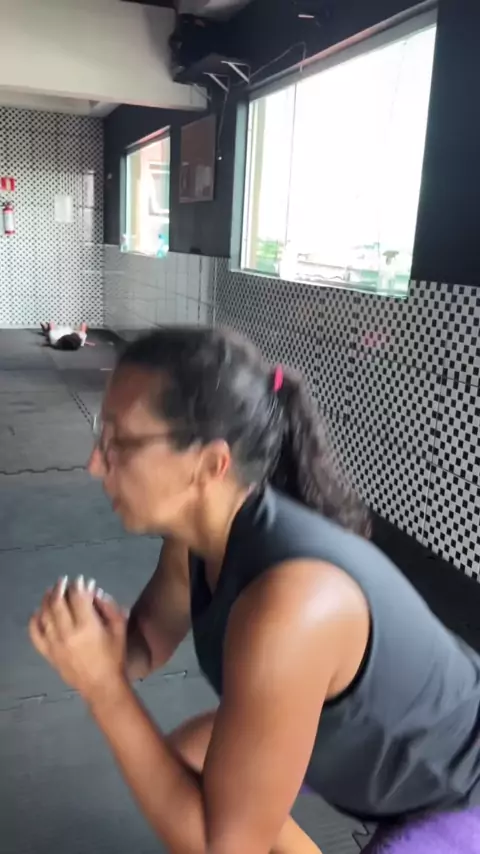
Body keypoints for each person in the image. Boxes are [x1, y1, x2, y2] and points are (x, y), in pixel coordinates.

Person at [29, 326, 480, 854]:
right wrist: (97, 644)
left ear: (209, 465)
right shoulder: (196, 541)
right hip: (365, 755)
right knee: (183, 758)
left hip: (457, 796)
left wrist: (104, 687)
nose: (94, 463)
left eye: (119, 442)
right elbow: (147, 641)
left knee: (216, 824)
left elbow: (224, 848)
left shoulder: (293, 607)